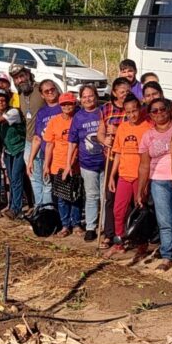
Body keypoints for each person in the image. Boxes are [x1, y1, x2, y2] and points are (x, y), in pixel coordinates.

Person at [138, 98, 172, 269]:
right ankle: (167, 255)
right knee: (164, 222)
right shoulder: (148, 136)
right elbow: (144, 165)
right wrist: (141, 189)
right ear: (150, 115)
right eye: (154, 111)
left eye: (162, 109)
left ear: (168, 110)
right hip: (158, 181)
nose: (159, 113)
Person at [106, 95, 150, 257]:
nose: (132, 115)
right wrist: (112, 176)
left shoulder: (147, 127)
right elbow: (118, 153)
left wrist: (146, 182)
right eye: (128, 112)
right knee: (118, 210)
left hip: (140, 176)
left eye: (134, 111)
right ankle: (119, 242)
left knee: (140, 209)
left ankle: (142, 242)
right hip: (124, 175)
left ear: (140, 109)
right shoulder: (122, 128)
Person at [96, 77, 132, 246]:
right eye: (122, 91)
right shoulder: (106, 109)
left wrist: (118, 131)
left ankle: (126, 233)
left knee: (127, 199)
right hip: (110, 157)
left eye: (128, 91)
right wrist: (104, 140)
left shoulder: (132, 108)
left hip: (128, 158)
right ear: (115, 93)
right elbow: (100, 132)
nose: (125, 94)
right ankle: (109, 233)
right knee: (110, 196)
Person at [67, 84, 105, 241]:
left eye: (90, 96)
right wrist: (68, 163)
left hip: (105, 161)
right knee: (91, 195)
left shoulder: (103, 112)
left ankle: (104, 226)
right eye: (84, 97)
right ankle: (90, 226)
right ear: (80, 99)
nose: (88, 99)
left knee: (105, 196)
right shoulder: (78, 117)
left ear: (96, 96)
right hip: (87, 163)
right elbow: (72, 141)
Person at [10, 63, 46, 213]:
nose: (20, 80)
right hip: (29, 141)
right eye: (16, 78)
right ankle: (39, 207)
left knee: (45, 178)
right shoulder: (20, 95)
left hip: (45, 142)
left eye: (22, 76)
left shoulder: (41, 89)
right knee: (34, 177)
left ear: (29, 75)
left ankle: (47, 209)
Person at [44, 92, 81, 235]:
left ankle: (76, 224)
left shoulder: (78, 119)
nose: (66, 107)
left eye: (69, 103)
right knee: (61, 197)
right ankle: (65, 225)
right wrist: (46, 165)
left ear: (74, 104)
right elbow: (49, 145)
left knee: (75, 195)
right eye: (64, 104)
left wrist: (70, 164)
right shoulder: (54, 121)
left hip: (75, 164)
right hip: (57, 164)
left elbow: (78, 145)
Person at [0, 89, 28, 220]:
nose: (0, 102)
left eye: (3, 100)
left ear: (7, 101)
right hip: (7, 150)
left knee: (16, 178)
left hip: (19, 148)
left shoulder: (13, 112)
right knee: (11, 178)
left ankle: (16, 209)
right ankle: (12, 205)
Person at [27, 80, 61, 210]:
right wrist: (31, 160)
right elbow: (37, 138)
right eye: (47, 91)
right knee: (47, 184)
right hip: (46, 155)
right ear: (42, 95)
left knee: (62, 189)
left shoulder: (64, 106)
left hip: (62, 154)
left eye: (52, 89)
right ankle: (47, 213)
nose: (50, 92)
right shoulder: (42, 112)